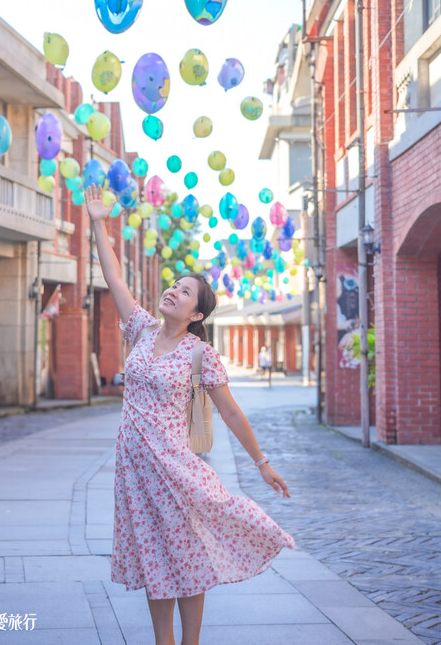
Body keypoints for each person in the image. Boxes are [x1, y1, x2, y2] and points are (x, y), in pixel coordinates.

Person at [85, 185, 294, 645]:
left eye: (184, 292)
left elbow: (230, 412)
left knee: (186, 557)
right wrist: (98, 222)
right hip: (134, 473)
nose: (173, 291)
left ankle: (190, 642)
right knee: (154, 558)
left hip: (175, 470)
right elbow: (114, 277)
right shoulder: (141, 330)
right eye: (174, 285)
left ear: (196, 313)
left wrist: (261, 463)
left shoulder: (199, 354)